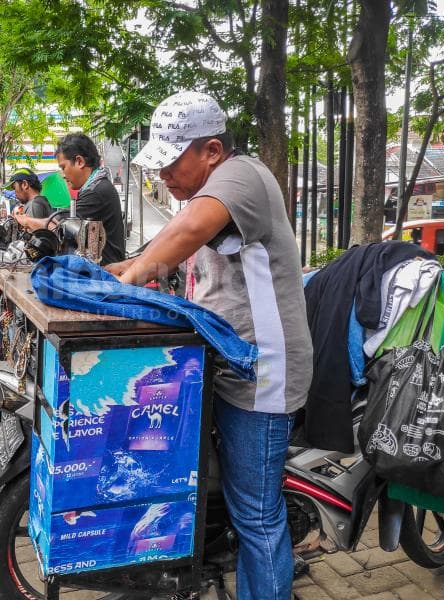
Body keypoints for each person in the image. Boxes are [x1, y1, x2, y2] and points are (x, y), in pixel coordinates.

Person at [106, 91, 313, 599]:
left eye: (172, 163)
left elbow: (186, 230)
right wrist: (110, 274)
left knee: (257, 515)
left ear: (213, 150)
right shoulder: (209, 194)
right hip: (225, 366)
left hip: (261, 374)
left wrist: (128, 279)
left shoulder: (241, 177)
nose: (164, 177)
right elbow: (163, 252)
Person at [14, 133, 125, 265]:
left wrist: (25, 220)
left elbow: (56, 225)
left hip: (106, 275)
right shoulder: (96, 187)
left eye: (63, 167)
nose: (62, 175)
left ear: (79, 161)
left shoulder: (97, 192)